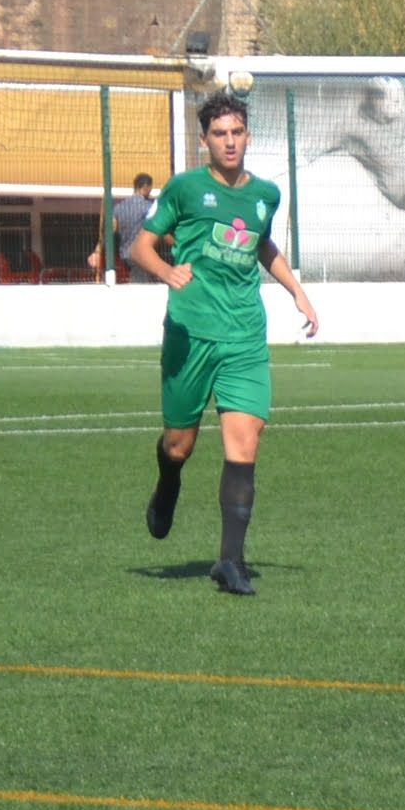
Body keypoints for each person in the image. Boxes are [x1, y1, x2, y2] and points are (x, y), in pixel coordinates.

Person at [131, 93, 322, 595]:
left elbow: (261, 244)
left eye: (237, 132)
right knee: (179, 445)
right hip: (191, 334)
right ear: (204, 142)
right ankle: (168, 481)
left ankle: (230, 561)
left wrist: (297, 290)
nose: (229, 142)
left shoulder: (265, 194)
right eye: (219, 134)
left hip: (244, 336)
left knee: (245, 442)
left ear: (248, 136)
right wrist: (166, 271)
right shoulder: (185, 188)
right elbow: (140, 246)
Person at [89, 172, 157, 282]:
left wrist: (97, 251)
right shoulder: (149, 207)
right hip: (142, 256)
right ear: (145, 187)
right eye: (150, 189)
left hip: (125, 256)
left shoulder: (119, 208)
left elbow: (109, 232)